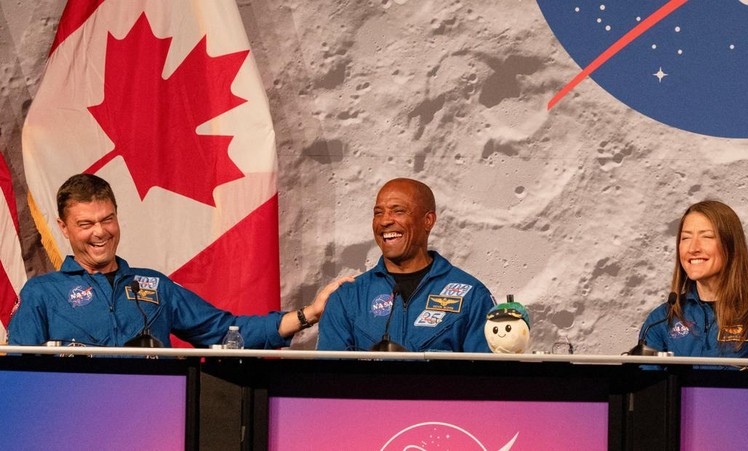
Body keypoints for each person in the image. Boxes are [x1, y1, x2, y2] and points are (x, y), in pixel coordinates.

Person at [8, 173, 352, 348]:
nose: (100, 232)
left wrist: (310, 313)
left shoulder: (154, 286)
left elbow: (226, 332)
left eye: (107, 219)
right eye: (86, 224)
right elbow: (19, 379)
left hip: (153, 425)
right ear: (64, 228)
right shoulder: (42, 293)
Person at [317, 178, 496, 352]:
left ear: (428, 221)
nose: (385, 221)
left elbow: (487, 379)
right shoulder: (348, 297)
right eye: (378, 213)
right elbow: (330, 377)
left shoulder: (471, 296)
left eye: (398, 211)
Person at [638, 200, 748, 365]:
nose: (693, 248)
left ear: (731, 245)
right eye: (685, 237)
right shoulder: (662, 319)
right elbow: (648, 387)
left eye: (707, 237)